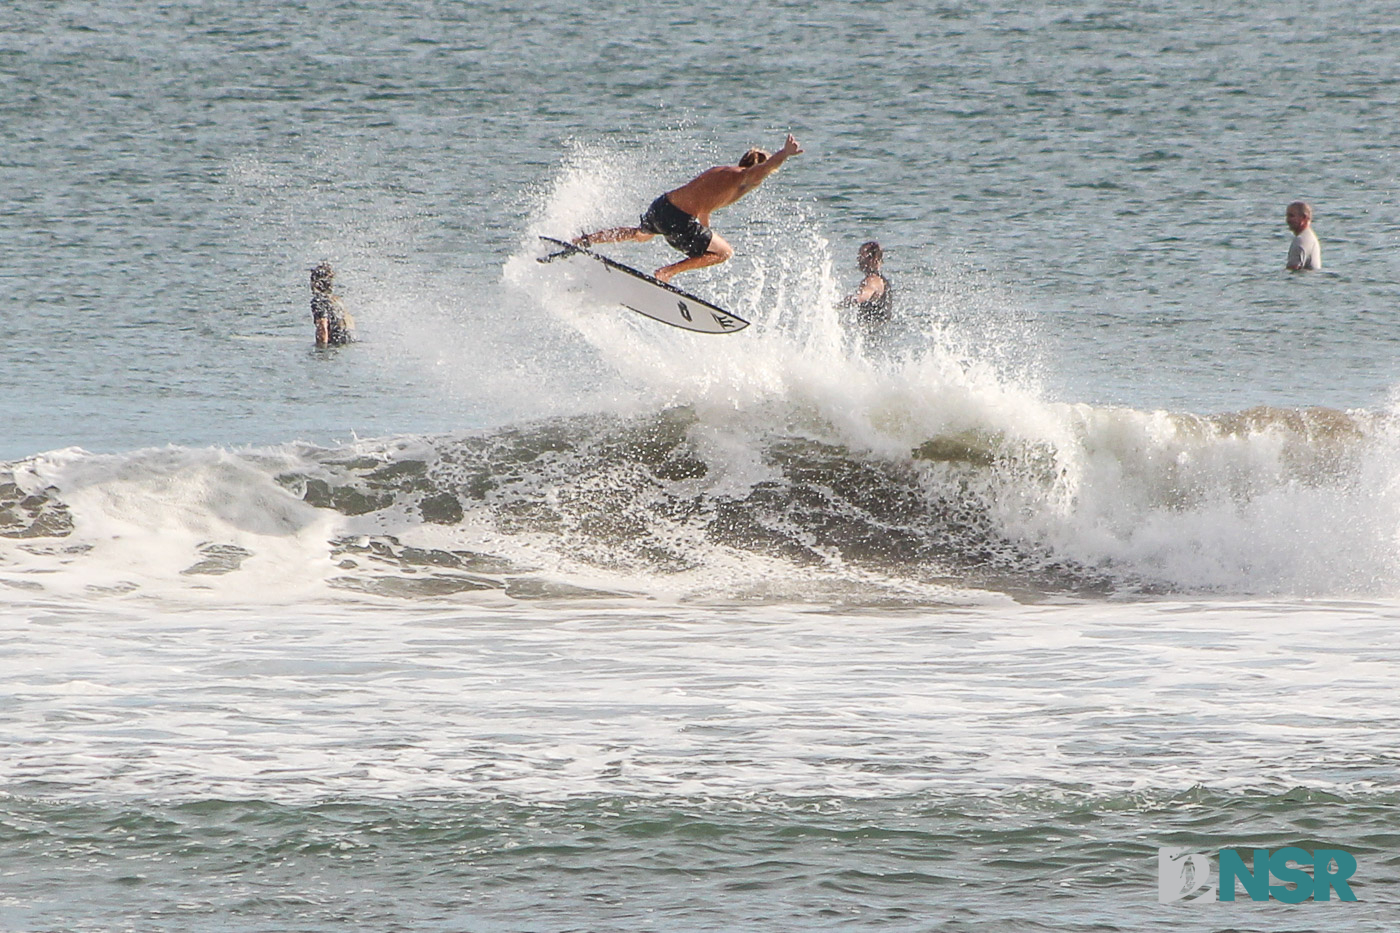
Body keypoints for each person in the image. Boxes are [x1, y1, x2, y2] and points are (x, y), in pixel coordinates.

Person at [574, 134, 804, 283]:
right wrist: (785, 153)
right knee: (724, 253)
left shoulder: (722, 171)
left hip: (662, 206)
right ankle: (666, 273)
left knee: (640, 234)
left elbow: (703, 207)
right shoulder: (745, 177)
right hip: (679, 219)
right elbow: (765, 168)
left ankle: (585, 239)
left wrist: (705, 233)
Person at [840, 240, 892, 333]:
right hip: (882, 335)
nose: (858, 260)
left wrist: (835, 306)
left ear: (873, 259)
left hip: (871, 338)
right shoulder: (882, 281)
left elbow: (861, 297)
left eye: (862, 257)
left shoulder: (872, 281)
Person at [310, 262, 355, 346]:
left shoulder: (319, 300)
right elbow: (350, 324)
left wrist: (321, 351)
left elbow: (322, 327)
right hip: (347, 343)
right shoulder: (336, 300)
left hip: (333, 345)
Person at [1285, 201, 1322, 271]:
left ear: (1304, 218)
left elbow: (1292, 270)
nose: (1287, 220)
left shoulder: (1301, 240)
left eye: (1291, 216)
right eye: (1287, 216)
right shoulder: (1310, 237)